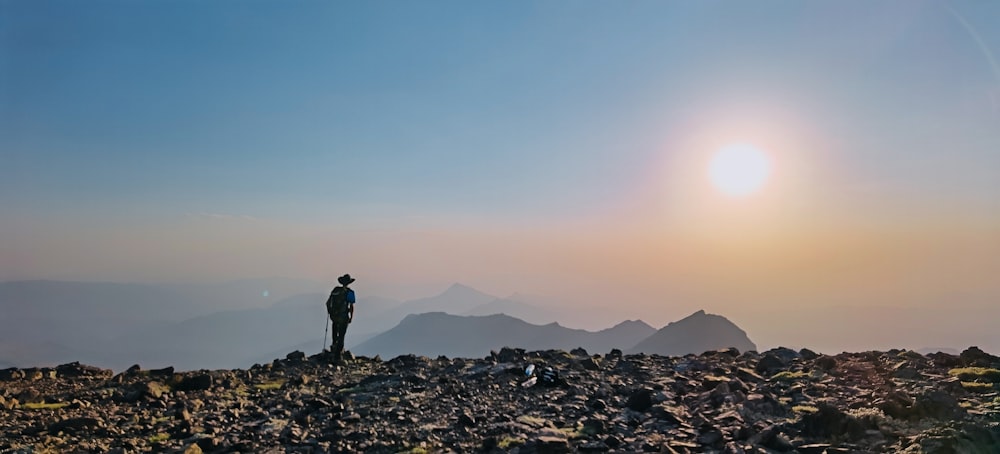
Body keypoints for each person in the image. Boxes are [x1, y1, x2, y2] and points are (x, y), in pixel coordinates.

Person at [326, 274, 356, 362]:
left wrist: (330, 312)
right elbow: (351, 306)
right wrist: (351, 317)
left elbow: (328, 303)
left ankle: (333, 349)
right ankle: (338, 355)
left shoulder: (335, 290)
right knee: (342, 335)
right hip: (344, 317)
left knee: (335, 333)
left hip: (335, 316)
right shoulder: (350, 292)